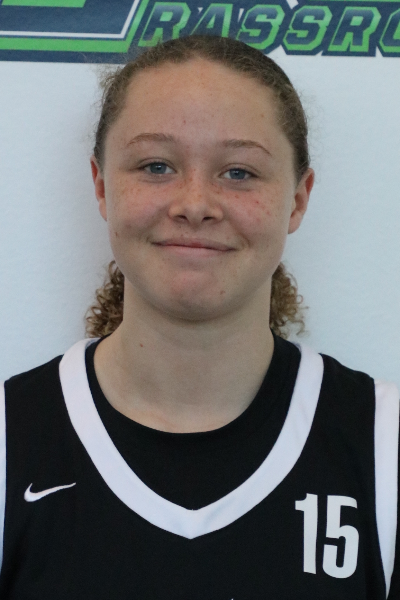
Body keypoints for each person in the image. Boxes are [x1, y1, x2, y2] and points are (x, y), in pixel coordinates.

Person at [0, 34, 398, 599]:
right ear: (102, 186)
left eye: (239, 172)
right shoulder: (9, 441)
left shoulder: (385, 447)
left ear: (298, 198)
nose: (194, 204)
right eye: (156, 165)